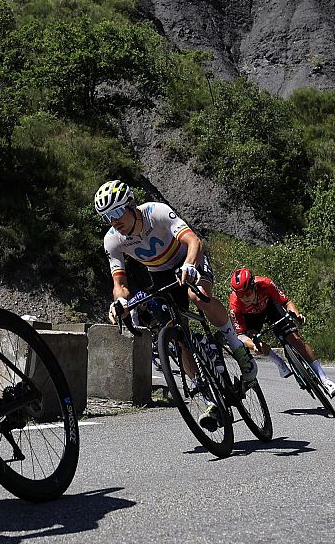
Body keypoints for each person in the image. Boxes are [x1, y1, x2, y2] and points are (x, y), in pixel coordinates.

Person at [96, 180, 257, 425]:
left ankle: (236, 345)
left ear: (131, 205)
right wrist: (119, 302)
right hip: (160, 274)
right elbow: (120, 283)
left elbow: (193, 240)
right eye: (107, 216)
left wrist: (190, 265)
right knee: (176, 333)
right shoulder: (113, 240)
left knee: (197, 295)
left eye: (117, 212)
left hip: (189, 258)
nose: (114, 220)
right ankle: (208, 398)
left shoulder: (156, 212)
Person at [228, 267, 335, 397]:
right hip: (251, 320)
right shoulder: (234, 305)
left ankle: (325, 380)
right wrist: (253, 344)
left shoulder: (265, 283)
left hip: (270, 308)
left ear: (253, 286)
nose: (244, 298)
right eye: (240, 295)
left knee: (295, 339)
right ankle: (279, 363)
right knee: (255, 341)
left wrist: (296, 315)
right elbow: (241, 334)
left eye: (247, 293)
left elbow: (286, 302)